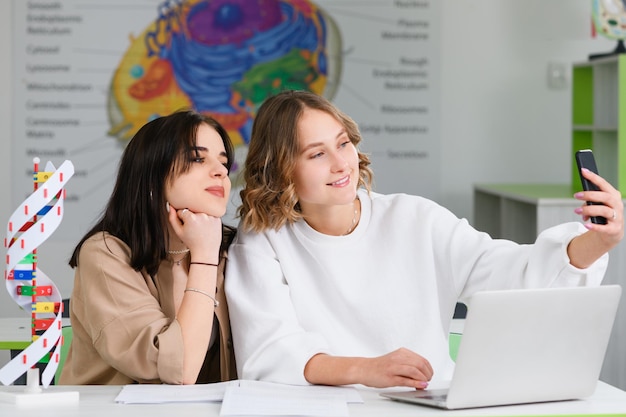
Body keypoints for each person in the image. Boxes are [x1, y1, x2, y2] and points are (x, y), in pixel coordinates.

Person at [225, 90, 624, 389]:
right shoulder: (264, 241)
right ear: (280, 170)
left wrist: (597, 242)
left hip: (423, 404)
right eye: (316, 154)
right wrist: (367, 369)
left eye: (343, 142)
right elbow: (269, 351)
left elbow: (510, 272)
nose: (340, 162)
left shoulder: (414, 218)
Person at [59, 110, 237, 385]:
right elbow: (178, 370)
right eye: (197, 159)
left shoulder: (232, 247)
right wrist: (204, 258)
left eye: (223, 162)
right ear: (153, 175)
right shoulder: (104, 254)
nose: (221, 172)